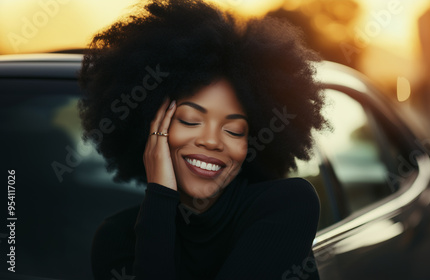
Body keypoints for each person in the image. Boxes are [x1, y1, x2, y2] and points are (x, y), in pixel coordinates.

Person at [78, 0, 329, 279]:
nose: (211, 141)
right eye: (189, 120)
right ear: (150, 129)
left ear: (251, 145)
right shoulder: (117, 238)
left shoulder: (287, 206)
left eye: (234, 131)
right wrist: (160, 198)